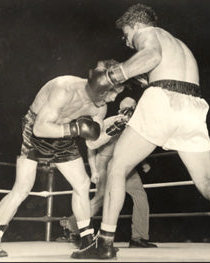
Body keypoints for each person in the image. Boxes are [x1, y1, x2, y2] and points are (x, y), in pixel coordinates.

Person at [72, 3, 210, 262]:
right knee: (207, 182)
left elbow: (151, 57)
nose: (128, 41)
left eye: (127, 34)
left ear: (136, 25)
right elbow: (156, 67)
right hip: (194, 106)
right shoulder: (180, 46)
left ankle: (105, 243)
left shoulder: (148, 34)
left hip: (164, 99)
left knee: (117, 167)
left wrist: (112, 76)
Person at [0, 59, 127, 257]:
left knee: (83, 184)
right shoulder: (64, 87)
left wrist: (110, 131)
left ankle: (86, 243)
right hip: (36, 131)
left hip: (64, 135)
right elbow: (40, 128)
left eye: (116, 94)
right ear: (101, 85)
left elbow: (92, 142)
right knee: (22, 188)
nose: (112, 99)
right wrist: (76, 129)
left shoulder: (99, 108)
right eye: (112, 92)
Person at [59, 97, 157, 249]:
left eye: (131, 108)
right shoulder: (109, 121)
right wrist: (94, 170)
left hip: (125, 165)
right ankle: (72, 227)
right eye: (125, 108)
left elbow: (135, 146)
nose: (128, 111)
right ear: (120, 108)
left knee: (140, 196)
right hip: (104, 164)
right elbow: (91, 146)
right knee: (100, 199)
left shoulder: (135, 126)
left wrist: (143, 162)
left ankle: (139, 237)